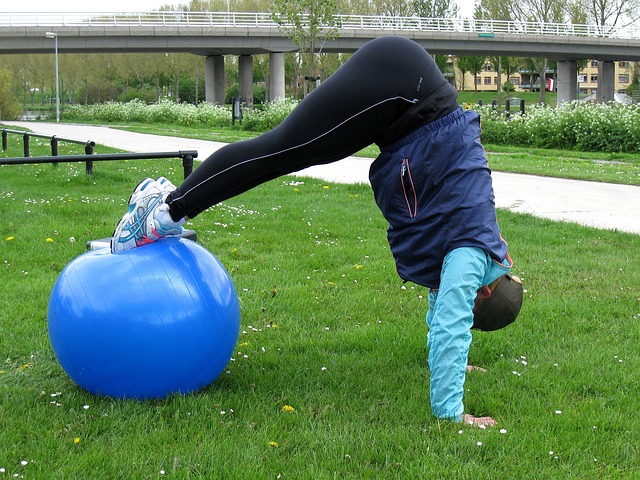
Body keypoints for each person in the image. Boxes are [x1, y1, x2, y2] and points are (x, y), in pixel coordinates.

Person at [111, 36, 523, 427]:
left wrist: (453, 355)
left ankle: (173, 203)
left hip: (404, 93)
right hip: (401, 87)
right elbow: (450, 318)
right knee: (281, 150)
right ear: (483, 291)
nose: (460, 303)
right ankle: (164, 210)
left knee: (284, 152)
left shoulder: (482, 245)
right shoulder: (470, 257)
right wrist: (452, 412)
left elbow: (443, 306)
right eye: (470, 307)